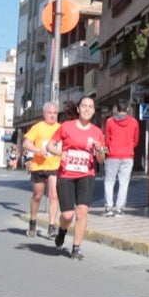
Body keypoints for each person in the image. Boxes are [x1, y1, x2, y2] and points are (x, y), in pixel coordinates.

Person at [52, 96, 106, 259]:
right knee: (68, 215)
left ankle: (76, 247)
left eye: (90, 107)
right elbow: (50, 145)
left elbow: (101, 159)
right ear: (78, 109)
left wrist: (100, 150)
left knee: (82, 211)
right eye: (84, 106)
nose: (87, 109)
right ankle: (62, 230)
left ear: (94, 110)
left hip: (87, 174)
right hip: (67, 173)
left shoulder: (97, 132)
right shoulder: (66, 127)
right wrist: (60, 153)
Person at [22, 102, 63, 240]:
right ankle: (33, 221)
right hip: (39, 165)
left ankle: (51, 227)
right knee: (38, 195)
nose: (52, 115)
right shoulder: (38, 127)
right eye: (50, 113)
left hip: (54, 166)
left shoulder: (60, 128)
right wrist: (38, 150)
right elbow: (26, 143)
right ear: (44, 114)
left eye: (55, 113)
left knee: (53, 195)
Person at [101, 100, 142, 216]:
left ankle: (108, 208)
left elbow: (106, 140)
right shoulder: (134, 122)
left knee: (109, 181)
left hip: (112, 155)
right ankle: (119, 209)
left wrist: (105, 153)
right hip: (128, 156)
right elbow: (136, 140)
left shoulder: (109, 122)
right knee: (124, 182)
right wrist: (129, 148)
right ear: (127, 109)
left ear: (116, 109)